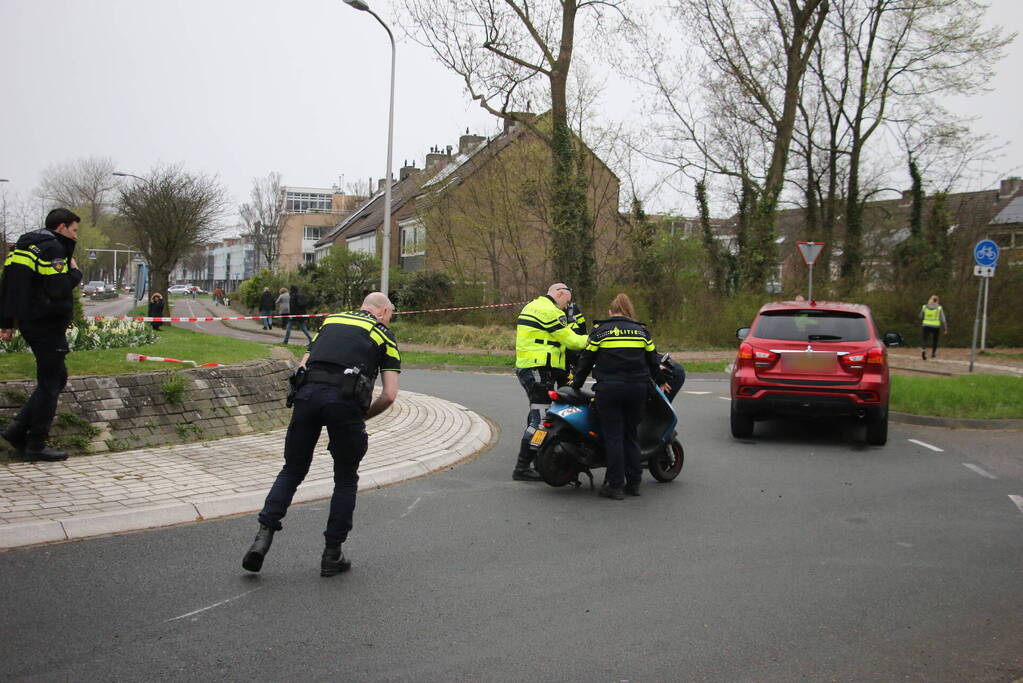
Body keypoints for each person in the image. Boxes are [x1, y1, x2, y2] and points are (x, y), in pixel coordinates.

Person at [242, 292, 400, 577]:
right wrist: (362, 416)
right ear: (384, 312)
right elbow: (389, 395)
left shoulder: (331, 322)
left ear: (363, 306)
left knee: (292, 470)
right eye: (391, 315)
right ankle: (331, 554)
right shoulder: (384, 335)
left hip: (307, 396)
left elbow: (303, 364)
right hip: (345, 403)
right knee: (345, 478)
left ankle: (262, 539)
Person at [0, 208, 83, 462]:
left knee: (58, 377)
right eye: (74, 230)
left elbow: (9, 285)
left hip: (30, 321)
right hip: (47, 322)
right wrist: (75, 273)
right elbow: (58, 289)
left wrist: (7, 322)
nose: (76, 236)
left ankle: (17, 430)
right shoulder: (54, 249)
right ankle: (36, 444)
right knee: (50, 384)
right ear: (61, 227)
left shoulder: (22, 246)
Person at [570, 293, 663, 500]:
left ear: (611, 312)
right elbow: (653, 360)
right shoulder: (641, 331)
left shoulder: (600, 331)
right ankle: (634, 483)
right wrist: (659, 381)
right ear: (629, 311)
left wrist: (575, 385)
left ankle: (615, 486)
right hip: (637, 389)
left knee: (613, 437)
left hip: (610, 389)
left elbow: (586, 360)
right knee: (631, 435)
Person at [513, 283, 588, 481]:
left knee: (539, 414)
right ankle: (522, 467)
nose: (566, 306)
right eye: (567, 302)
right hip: (539, 370)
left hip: (528, 367)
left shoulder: (531, 306)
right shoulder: (552, 311)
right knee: (540, 420)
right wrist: (596, 339)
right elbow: (572, 341)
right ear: (560, 293)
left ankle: (537, 460)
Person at [919, 294, 948, 360]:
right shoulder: (939, 308)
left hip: (926, 325)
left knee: (925, 339)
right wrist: (945, 328)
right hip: (935, 326)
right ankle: (933, 354)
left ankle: (923, 351)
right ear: (937, 300)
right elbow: (943, 319)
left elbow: (920, 316)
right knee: (935, 340)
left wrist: (923, 320)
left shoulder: (924, 307)